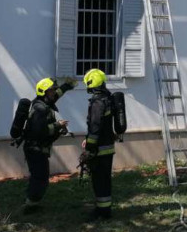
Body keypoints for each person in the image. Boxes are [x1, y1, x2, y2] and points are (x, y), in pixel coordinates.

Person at [22, 77, 76, 214]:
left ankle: (32, 202)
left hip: (38, 148)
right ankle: (30, 206)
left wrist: (67, 86)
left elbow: (56, 95)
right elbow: (40, 131)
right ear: (44, 92)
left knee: (39, 176)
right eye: (51, 91)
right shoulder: (40, 109)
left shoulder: (44, 102)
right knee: (40, 177)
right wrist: (58, 125)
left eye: (53, 90)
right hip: (35, 149)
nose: (54, 93)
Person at [81, 69, 117, 221]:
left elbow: (95, 125)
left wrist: (90, 145)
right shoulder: (107, 99)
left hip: (99, 149)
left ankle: (102, 212)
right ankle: (105, 208)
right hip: (107, 146)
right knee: (105, 179)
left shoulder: (98, 102)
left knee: (99, 180)